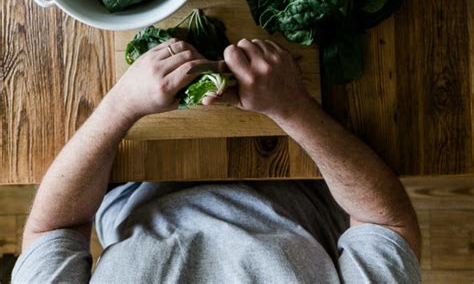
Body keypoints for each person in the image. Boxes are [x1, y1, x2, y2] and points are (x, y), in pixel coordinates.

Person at [13, 38, 421, 283]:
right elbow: (386, 224)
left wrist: (122, 104)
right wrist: (294, 107)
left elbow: (53, 229)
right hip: (310, 168)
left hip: (131, 169)